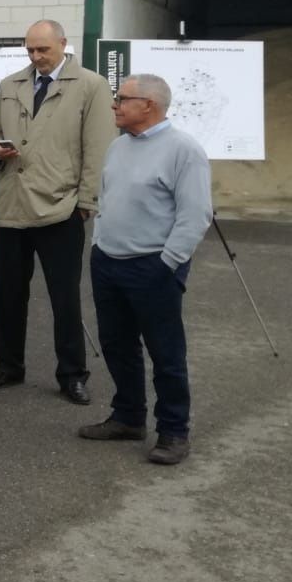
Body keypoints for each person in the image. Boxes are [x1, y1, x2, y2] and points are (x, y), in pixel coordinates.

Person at [0, 19, 116, 404]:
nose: (36, 57)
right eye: (30, 50)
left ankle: (72, 374)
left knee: (64, 297)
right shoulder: (10, 85)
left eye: (44, 50)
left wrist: (87, 202)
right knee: (8, 294)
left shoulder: (90, 86)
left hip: (61, 206)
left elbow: (99, 148)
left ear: (63, 44)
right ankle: (9, 366)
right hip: (11, 204)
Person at [78, 74, 211, 466]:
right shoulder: (119, 147)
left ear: (148, 105)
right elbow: (108, 198)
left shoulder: (183, 150)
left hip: (153, 267)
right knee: (117, 345)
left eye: (122, 99)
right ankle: (128, 417)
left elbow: (195, 215)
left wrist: (167, 263)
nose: (115, 105)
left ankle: (173, 431)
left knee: (165, 352)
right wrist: (98, 244)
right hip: (109, 262)